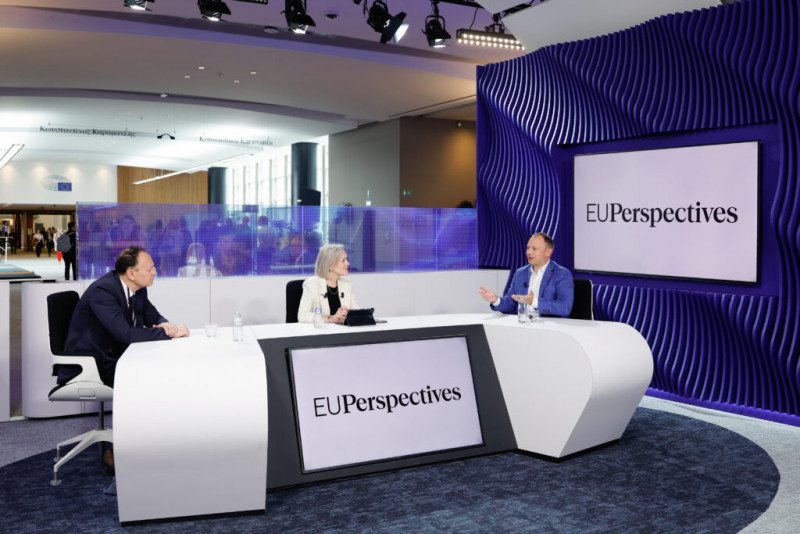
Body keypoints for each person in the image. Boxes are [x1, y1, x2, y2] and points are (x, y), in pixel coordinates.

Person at [59, 246, 189, 388]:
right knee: (155, 374)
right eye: (150, 269)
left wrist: (166, 325)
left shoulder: (138, 288)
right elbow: (126, 335)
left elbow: (153, 316)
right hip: (96, 364)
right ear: (131, 274)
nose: (154, 272)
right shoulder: (102, 291)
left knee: (163, 365)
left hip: (117, 356)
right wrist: (168, 333)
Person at [479, 232, 574, 317]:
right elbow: (510, 304)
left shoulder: (561, 274)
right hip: (524, 326)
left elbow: (565, 307)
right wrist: (496, 300)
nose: (529, 252)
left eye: (534, 249)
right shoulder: (520, 273)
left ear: (548, 252)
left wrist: (534, 302)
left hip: (550, 328)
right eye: (528, 248)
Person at [297, 243, 359, 324]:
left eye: (346, 260)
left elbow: (356, 312)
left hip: (343, 330)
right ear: (330, 266)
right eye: (343, 260)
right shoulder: (311, 284)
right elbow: (302, 316)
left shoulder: (347, 284)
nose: (347, 263)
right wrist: (331, 318)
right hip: (322, 331)